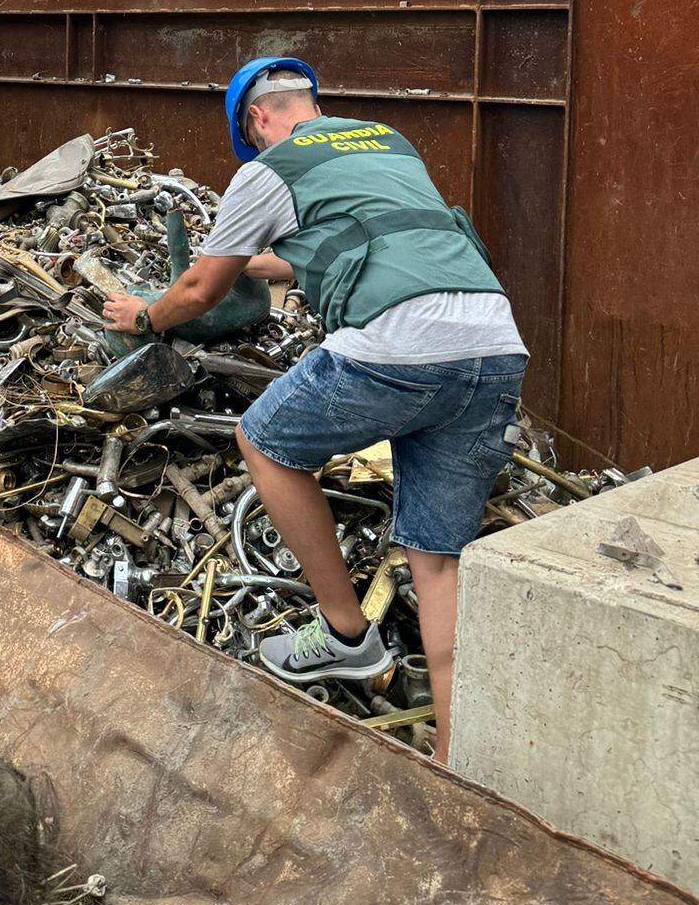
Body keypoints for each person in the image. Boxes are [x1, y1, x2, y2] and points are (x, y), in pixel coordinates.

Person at [101, 56, 527, 762]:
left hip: (397, 344)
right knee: (436, 563)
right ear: (308, 102)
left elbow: (202, 290)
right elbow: (343, 245)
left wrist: (146, 316)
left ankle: (346, 637)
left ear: (257, 119)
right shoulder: (386, 141)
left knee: (265, 441)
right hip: (493, 347)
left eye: (252, 136)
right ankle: (457, 769)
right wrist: (246, 263)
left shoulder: (268, 169)